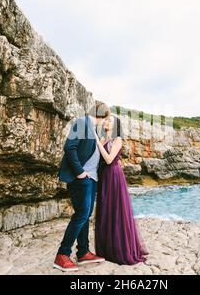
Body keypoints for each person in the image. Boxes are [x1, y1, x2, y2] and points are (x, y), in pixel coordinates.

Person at [53, 102, 110, 272]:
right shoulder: (81, 123)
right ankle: (62, 255)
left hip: (92, 179)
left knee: (85, 215)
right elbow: (69, 148)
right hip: (82, 179)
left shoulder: (93, 128)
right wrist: (80, 173)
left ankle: (83, 252)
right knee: (81, 215)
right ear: (102, 115)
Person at [94, 115, 148, 265]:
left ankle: (119, 250)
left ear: (116, 126)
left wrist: (98, 142)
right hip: (104, 177)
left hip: (114, 176)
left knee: (116, 211)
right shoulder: (104, 139)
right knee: (106, 211)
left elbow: (109, 159)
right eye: (106, 120)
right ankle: (107, 251)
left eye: (110, 120)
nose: (106, 121)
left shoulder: (117, 139)